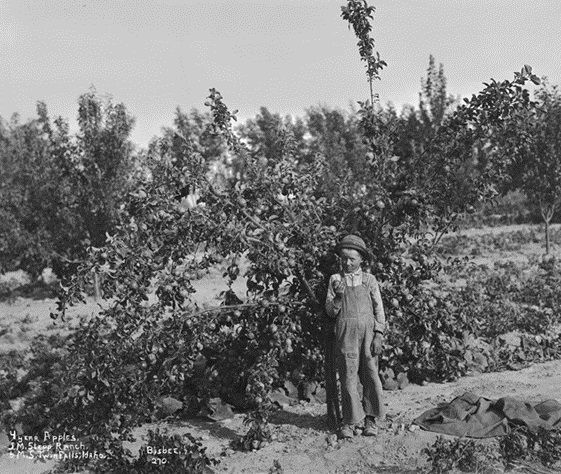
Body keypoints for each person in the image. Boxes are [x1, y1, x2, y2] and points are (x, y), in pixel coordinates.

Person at [325, 234, 386, 439]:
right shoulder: (335, 280)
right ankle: (350, 421)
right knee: (348, 376)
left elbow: (379, 310)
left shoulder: (369, 280)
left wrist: (378, 334)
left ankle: (371, 418)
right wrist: (339, 296)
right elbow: (330, 312)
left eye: (352, 258)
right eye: (343, 258)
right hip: (345, 334)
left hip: (368, 334)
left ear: (362, 259)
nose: (347, 262)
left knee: (370, 374)